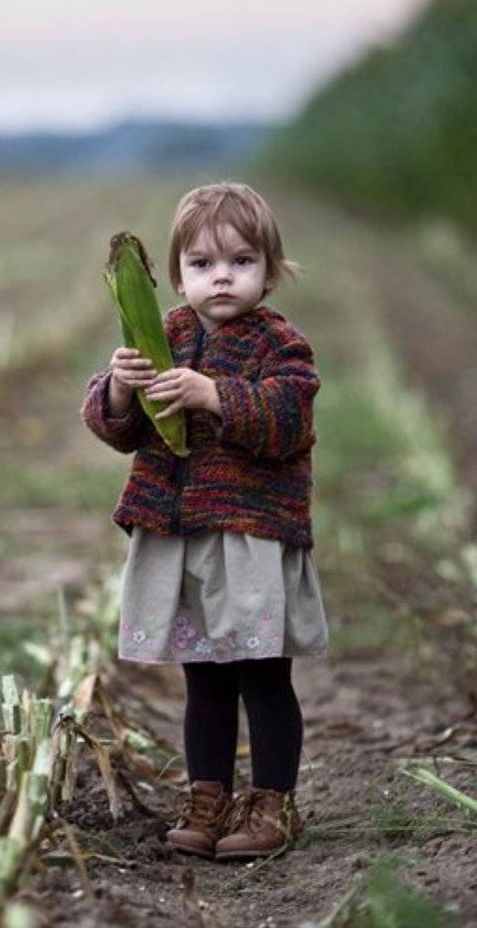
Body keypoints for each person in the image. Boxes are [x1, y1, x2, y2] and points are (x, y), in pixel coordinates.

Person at [81, 180, 328, 861]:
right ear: (178, 274)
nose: (221, 276)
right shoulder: (164, 336)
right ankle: (207, 796)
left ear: (269, 272)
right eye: (202, 263)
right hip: (181, 537)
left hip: (250, 541)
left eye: (241, 261)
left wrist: (215, 395)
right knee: (204, 680)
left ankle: (273, 804)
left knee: (263, 678)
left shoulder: (281, 344)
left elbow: (287, 420)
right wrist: (120, 387)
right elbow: (119, 430)